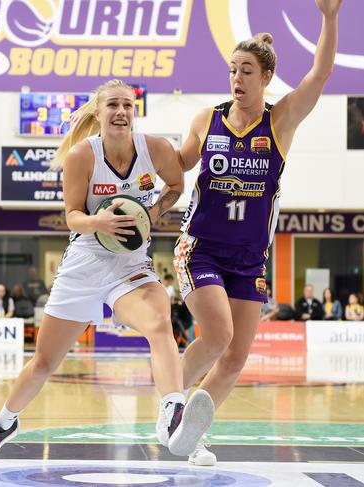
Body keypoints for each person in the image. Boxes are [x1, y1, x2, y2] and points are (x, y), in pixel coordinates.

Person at [0, 79, 213, 461]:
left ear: (135, 112)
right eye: (113, 105)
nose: (121, 112)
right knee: (45, 362)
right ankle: (4, 423)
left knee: (160, 320)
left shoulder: (157, 149)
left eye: (128, 105)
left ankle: (173, 413)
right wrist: (100, 222)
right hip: (84, 264)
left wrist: (154, 211)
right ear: (98, 112)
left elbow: (177, 184)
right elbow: (72, 217)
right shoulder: (82, 156)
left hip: (129, 266)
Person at [172, 0, 342, 466]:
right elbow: (179, 165)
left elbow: (320, 76)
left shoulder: (280, 120)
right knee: (219, 334)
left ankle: (190, 433)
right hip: (201, 249)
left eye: (246, 70)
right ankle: (170, 402)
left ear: (265, 77)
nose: (237, 78)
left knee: (235, 357)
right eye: (232, 69)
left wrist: (328, 18)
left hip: (249, 259)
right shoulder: (207, 119)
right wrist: (144, 182)